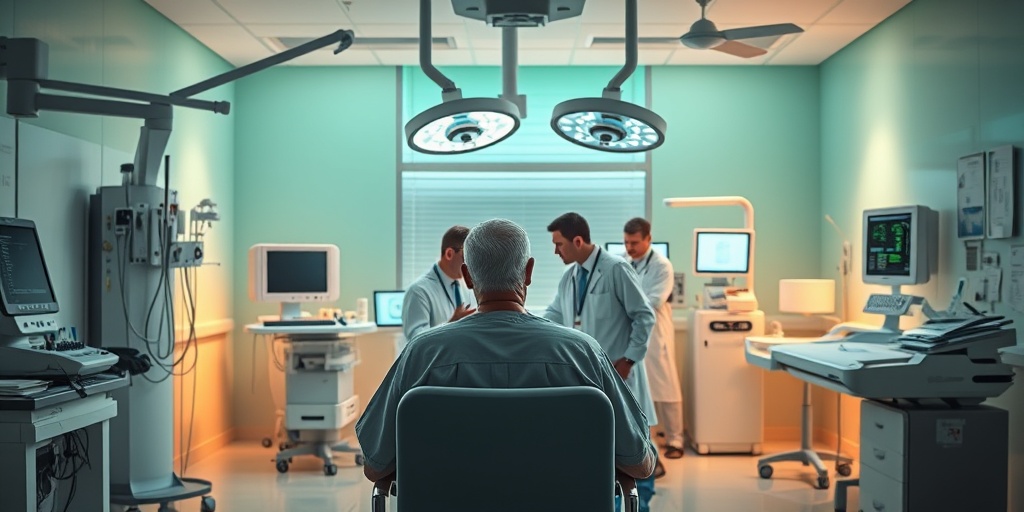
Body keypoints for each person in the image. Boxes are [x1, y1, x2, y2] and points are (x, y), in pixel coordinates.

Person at [356, 218, 656, 487]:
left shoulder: (421, 354)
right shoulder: (584, 353)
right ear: (528, 272)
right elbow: (639, 463)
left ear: (467, 276)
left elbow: (375, 466)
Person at [543, 212, 658, 511]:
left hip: (621, 373)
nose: (556, 251)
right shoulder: (570, 278)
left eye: (559, 244)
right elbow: (553, 316)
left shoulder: (616, 269)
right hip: (589, 377)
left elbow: (644, 316)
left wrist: (629, 359)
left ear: (578, 241)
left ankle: (642, 505)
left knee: (634, 446)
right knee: (603, 447)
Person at [624, 217, 685, 468]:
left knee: (667, 386)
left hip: (657, 334)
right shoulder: (626, 263)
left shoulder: (662, 266)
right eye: (627, 242)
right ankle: (648, 438)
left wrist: (627, 307)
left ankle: (675, 439)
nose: (629, 248)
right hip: (635, 333)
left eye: (635, 243)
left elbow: (654, 301)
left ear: (648, 239)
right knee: (640, 388)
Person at [398, 225, 475, 354]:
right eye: (465, 258)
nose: (470, 266)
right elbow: (416, 342)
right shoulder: (418, 291)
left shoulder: (469, 288)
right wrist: (451, 325)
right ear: (449, 254)